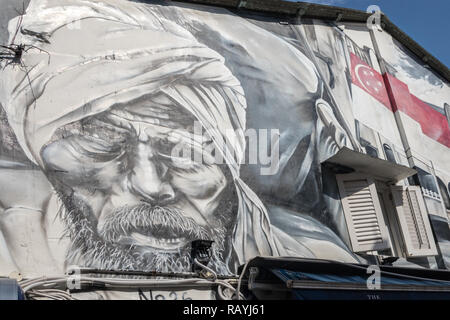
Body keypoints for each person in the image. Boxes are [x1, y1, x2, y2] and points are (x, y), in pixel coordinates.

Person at [0, 0, 357, 277]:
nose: (151, 185)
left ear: (229, 164)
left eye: (187, 154)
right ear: (43, 154)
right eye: (102, 146)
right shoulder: (11, 252)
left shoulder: (315, 262)